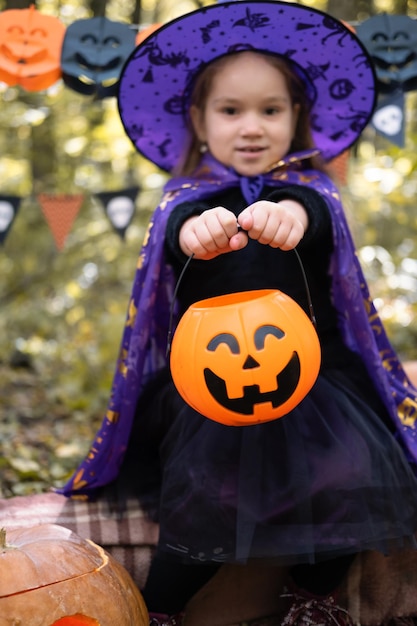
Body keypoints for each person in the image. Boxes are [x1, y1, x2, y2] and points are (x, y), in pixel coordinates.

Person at [61, 2, 417, 625]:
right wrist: (198, 233)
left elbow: (312, 223)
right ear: (198, 120)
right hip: (208, 387)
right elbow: (175, 236)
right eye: (231, 110)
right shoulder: (186, 203)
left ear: (297, 117)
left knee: (353, 481)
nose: (252, 126)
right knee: (205, 494)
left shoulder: (307, 195)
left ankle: (313, 600)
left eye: (270, 110)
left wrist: (290, 218)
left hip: (315, 383)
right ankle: (158, 609)